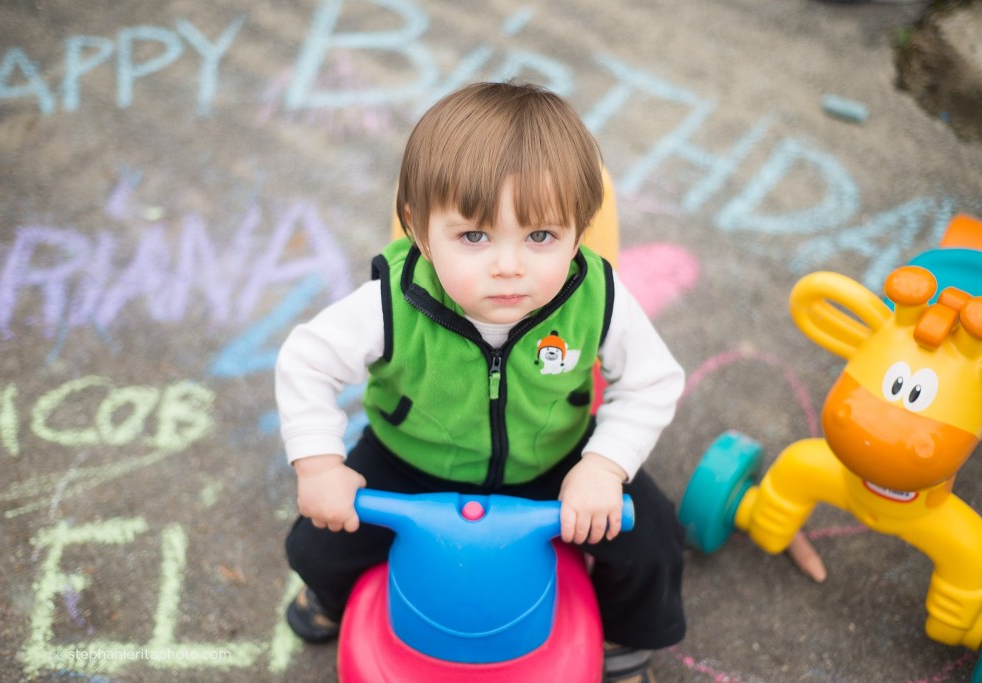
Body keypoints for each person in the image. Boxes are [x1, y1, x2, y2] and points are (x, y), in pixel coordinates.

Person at [275, 81, 686, 683]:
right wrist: (318, 465)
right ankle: (333, 601)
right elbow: (306, 360)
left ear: (579, 229)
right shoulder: (392, 302)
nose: (509, 266)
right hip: (408, 462)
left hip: (554, 460)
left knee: (652, 537)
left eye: (541, 236)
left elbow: (652, 382)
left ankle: (623, 637)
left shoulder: (596, 298)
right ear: (418, 228)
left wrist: (604, 465)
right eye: (474, 236)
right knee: (314, 545)